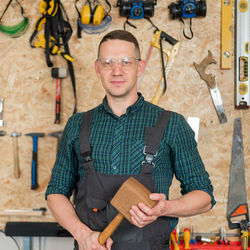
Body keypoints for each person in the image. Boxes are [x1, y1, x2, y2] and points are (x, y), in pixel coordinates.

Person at [46, 29, 215, 250]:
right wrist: (82, 235)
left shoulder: (172, 124)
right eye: (108, 62)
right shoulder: (77, 124)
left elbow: (204, 196)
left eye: (126, 62)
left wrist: (164, 208)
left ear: (140, 66)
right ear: (98, 68)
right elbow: (56, 192)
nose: (117, 71)